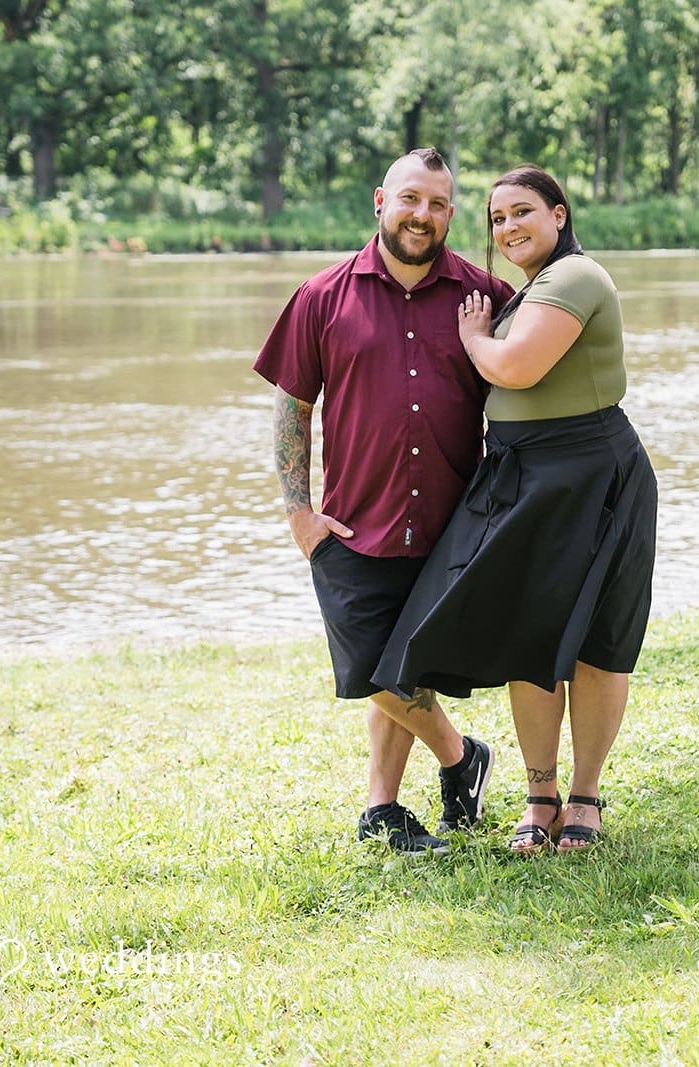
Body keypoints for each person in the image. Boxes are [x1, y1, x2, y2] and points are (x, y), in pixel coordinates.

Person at [372, 164, 658, 854]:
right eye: (497, 219)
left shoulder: (576, 278)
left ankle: (583, 796)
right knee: (530, 643)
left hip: (591, 472)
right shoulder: (530, 288)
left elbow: (518, 367)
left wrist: (475, 340)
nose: (508, 228)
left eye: (523, 211)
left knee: (597, 643)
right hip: (525, 473)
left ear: (560, 215)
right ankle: (539, 793)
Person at [253, 148, 514, 855]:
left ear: (451, 214)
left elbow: (526, 396)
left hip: (450, 528)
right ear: (380, 200)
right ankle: (463, 755)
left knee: (407, 667)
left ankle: (381, 808)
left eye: (436, 204)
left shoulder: (485, 299)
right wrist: (297, 510)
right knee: (375, 669)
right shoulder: (322, 296)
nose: (421, 215)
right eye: (409, 199)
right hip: (351, 524)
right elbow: (291, 406)